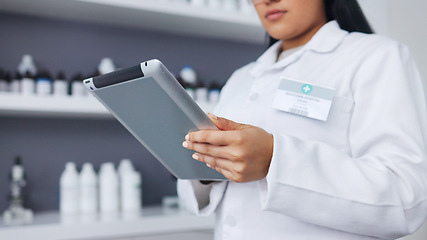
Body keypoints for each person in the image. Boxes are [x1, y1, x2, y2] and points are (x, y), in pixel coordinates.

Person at [178, 0, 427, 239]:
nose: (267, 0)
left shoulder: (376, 56)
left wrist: (273, 159)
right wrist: (208, 164)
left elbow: (405, 200)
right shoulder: (241, 78)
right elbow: (199, 196)